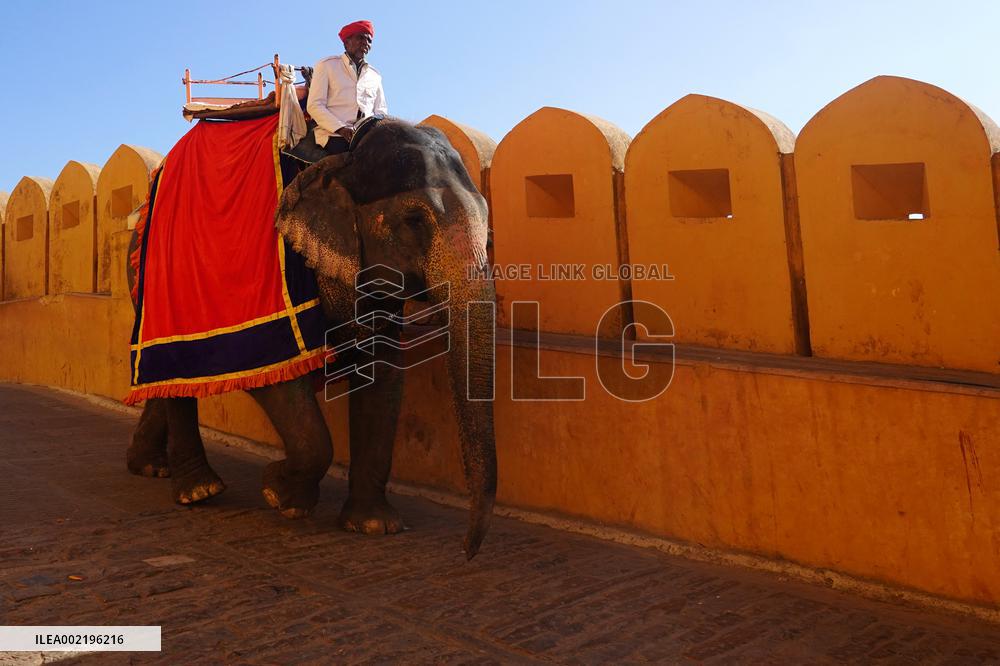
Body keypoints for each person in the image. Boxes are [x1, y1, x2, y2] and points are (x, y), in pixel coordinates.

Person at [304, 20, 388, 158]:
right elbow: (315, 106)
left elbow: (381, 112)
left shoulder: (375, 75)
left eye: (369, 40)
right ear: (346, 42)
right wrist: (342, 129)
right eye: (361, 37)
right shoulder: (327, 65)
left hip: (367, 138)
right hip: (333, 134)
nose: (365, 43)